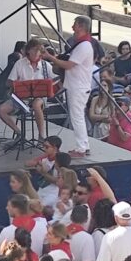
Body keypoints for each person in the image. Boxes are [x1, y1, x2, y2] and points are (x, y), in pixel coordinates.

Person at [42, 16, 95, 157]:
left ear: (81, 26)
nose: (72, 27)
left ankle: (81, 148)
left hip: (78, 87)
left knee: (77, 117)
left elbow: (69, 65)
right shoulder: (82, 44)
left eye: (75, 24)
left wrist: (51, 58)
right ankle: (83, 145)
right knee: (78, 116)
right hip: (77, 86)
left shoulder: (84, 46)